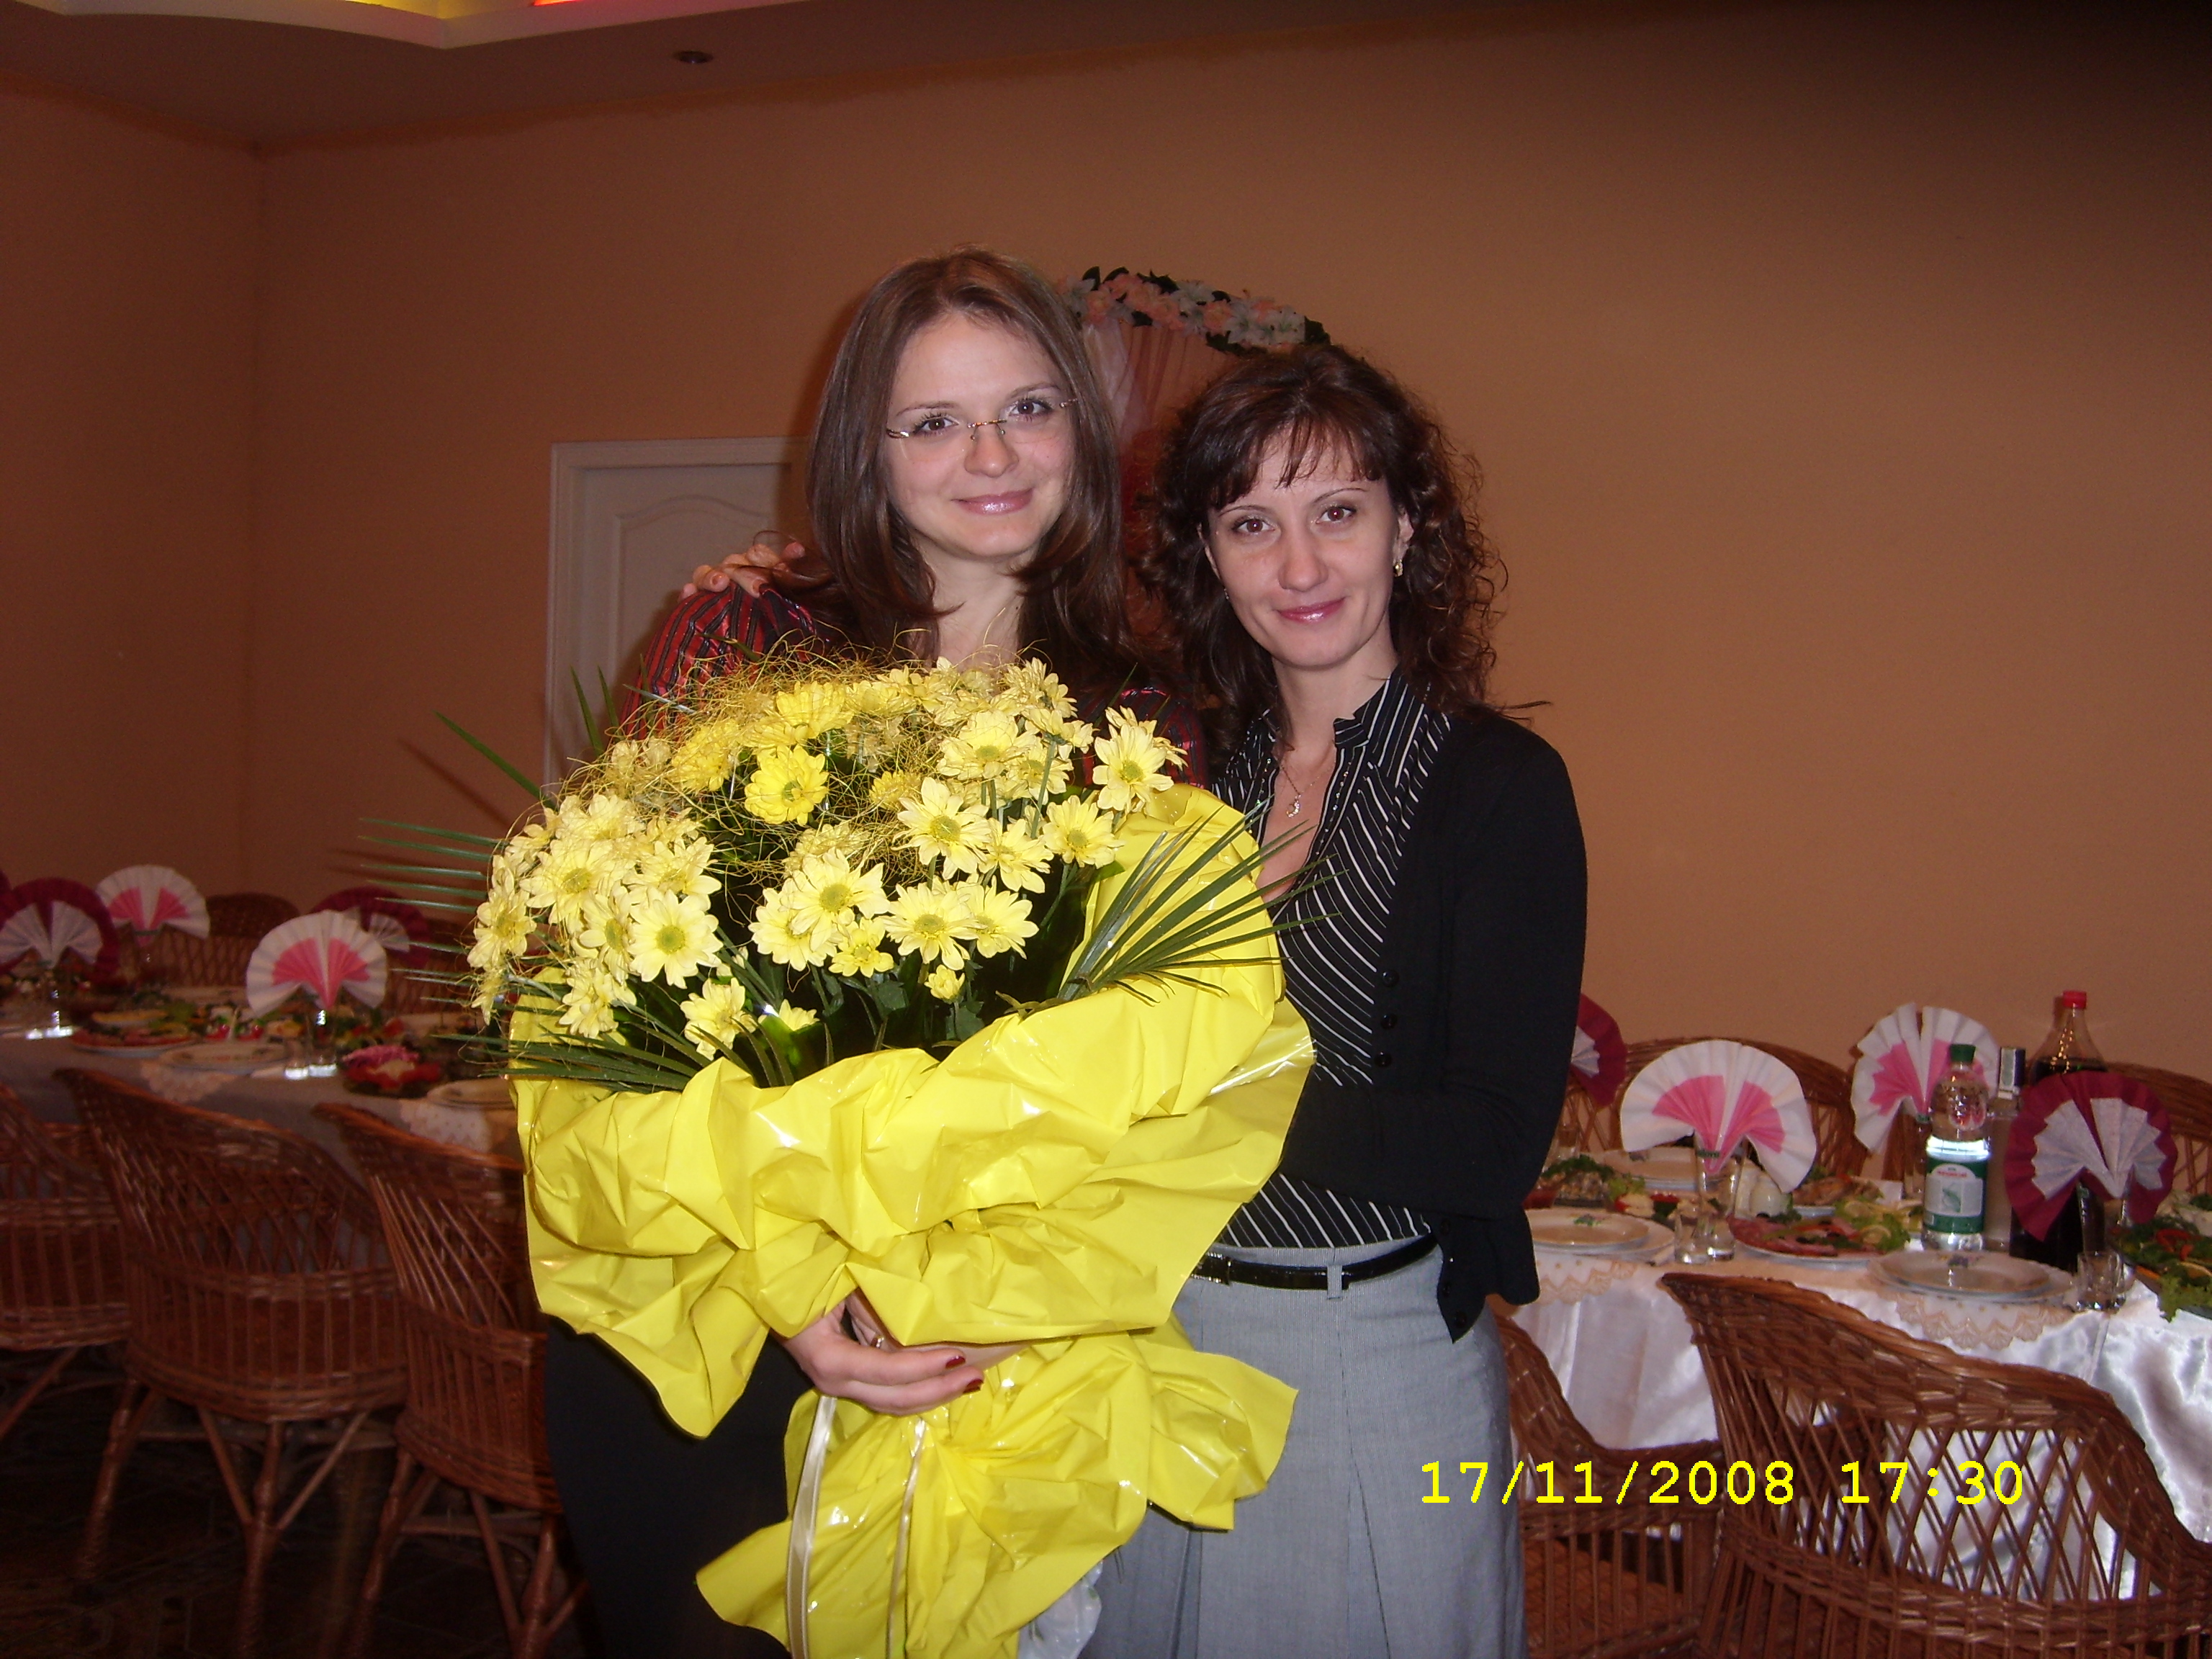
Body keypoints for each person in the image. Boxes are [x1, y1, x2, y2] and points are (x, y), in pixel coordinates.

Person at [545, 247, 1196, 1659]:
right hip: (723, 1317)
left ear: (1081, 430)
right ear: (869, 451)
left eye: (1028, 408)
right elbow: (616, 999)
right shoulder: (751, 637)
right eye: (933, 422)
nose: (991, 457)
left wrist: (1017, 1283)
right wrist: (793, 1284)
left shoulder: (1144, 719)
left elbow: (1154, 1055)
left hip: (980, 1342)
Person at [1084, 345, 1585, 1658]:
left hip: (1359, 1355)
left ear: (1407, 528)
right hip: (1163, 1344)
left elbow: (1489, 1146)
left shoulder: (1495, 787)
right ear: (1209, 556)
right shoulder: (1201, 781)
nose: (1299, 566)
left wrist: (1195, 1103)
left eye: (1338, 512)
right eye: (1253, 524)